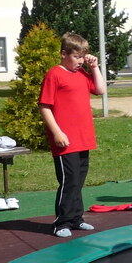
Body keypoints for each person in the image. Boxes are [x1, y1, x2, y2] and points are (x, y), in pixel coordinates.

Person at [38, 32, 105, 238]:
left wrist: (94, 67)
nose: (80, 61)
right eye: (76, 57)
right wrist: (57, 132)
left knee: (79, 180)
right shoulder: (55, 74)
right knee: (69, 181)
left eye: (82, 57)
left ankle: (76, 218)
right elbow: (44, 106)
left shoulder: (82, 73)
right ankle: (61, 222)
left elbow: (100, 90)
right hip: (65, 139)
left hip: (83, 137)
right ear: (63, 54)